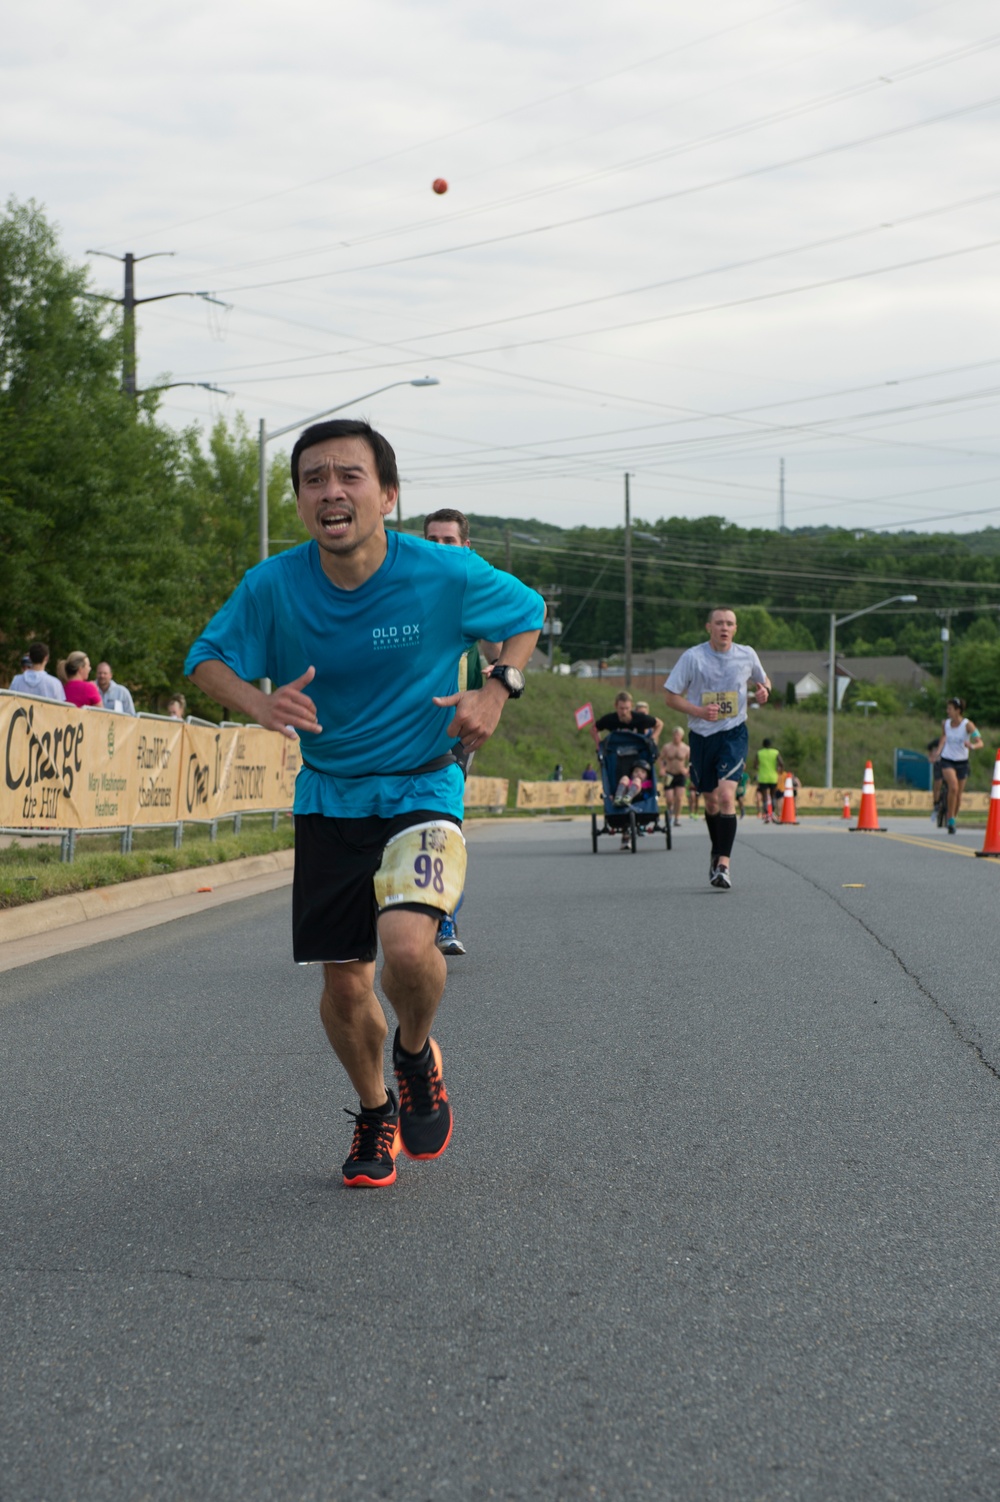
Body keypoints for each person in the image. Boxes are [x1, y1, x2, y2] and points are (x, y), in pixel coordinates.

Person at [186, 419, 543, 1189]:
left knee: (409, 949)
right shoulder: (274, 585)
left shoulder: (442, 573)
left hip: (423, 783)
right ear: (301, 501)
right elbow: (206, 659)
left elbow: (525, 615)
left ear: (387, 495)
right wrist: (260, 703)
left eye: (349, 476)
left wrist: (497, 688)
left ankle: (416, 1052)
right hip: (329, 797)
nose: (331, 491)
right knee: (345, 983)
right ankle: (376, 1109)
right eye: (314, 479)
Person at [421, 506, 504, 957]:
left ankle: (443, 910)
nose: (439, 548)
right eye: (431, 540)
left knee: (442, 822)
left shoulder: (475, 597)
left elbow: (499, 646)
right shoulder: (404, 592)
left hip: (454, 733)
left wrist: (498, 674)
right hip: (404, 730)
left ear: (465, 548)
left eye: (448, 541)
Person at [663, 607, 770, 889]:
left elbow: (764, 681)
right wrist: (698, 710)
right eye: (720, 623)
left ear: (735, 629)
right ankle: (716, 850)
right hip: (701, 736)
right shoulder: (693, 657)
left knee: (726, 797)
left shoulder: (747, 654)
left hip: (733, 733)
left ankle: (724, 863)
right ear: (709, 627)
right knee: (710, 801)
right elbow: (671, 697)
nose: (725, 628)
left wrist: (764, 691)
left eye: (730, 624)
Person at [930, 697, 984, 834]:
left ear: (958, 710)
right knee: (953, 786)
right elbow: (944, 737)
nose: (947, 711)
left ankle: (953, 816)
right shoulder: (945, 724)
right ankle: (950, 818)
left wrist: (972, 745)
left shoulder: (968, 725)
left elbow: (980, 742)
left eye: (950, 709)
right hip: (948, 759)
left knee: (958, 794)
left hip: (962, 762)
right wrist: (939, 751)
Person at [658, 726, 690, 826]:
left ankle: (677, 818)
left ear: (682, 736)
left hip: (680, 775)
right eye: (675, 735)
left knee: (679, 798)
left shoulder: (686, 748)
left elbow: (692, 761)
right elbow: (660, 758)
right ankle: (670, 810)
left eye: (678, 735)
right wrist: (662, 768)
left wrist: (687, 769)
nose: (676, 737)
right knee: (669, 798)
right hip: (669, 774)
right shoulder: (667, 747)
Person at [595, 690, 660, 740]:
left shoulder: (640, 718)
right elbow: (594, 729)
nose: (624, 712)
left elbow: (659, 724)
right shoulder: (610, 719)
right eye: (621, 708)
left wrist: (651, 739)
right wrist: (599, 744)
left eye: (627, 708)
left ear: (631, 706)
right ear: (616, 706)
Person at [754, 739, 783, 822]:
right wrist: (780, 771)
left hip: (763, 777)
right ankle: (772, 813)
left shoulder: (759, 753)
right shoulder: (775, 752)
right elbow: (781, 763)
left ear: (763, 744)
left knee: (765, 797)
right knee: (773, 795)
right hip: (773, 777)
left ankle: (766, 814)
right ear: (770, 744)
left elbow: (755, 765)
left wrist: (760, 769)